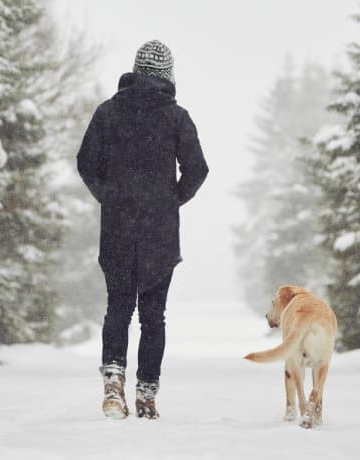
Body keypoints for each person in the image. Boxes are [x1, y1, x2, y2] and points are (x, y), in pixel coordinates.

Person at [77, 40, 209, 420]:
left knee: (118, 306)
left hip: (117, 228)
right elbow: (198, 169)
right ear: (167, 76)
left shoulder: (108, 112)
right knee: (154, 316)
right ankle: (147, 394)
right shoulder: (177, 117)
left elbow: (86, 162)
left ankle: (113, 383)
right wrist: (171, 201)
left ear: (134, 71)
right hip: (159, 232)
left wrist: (110, 196)